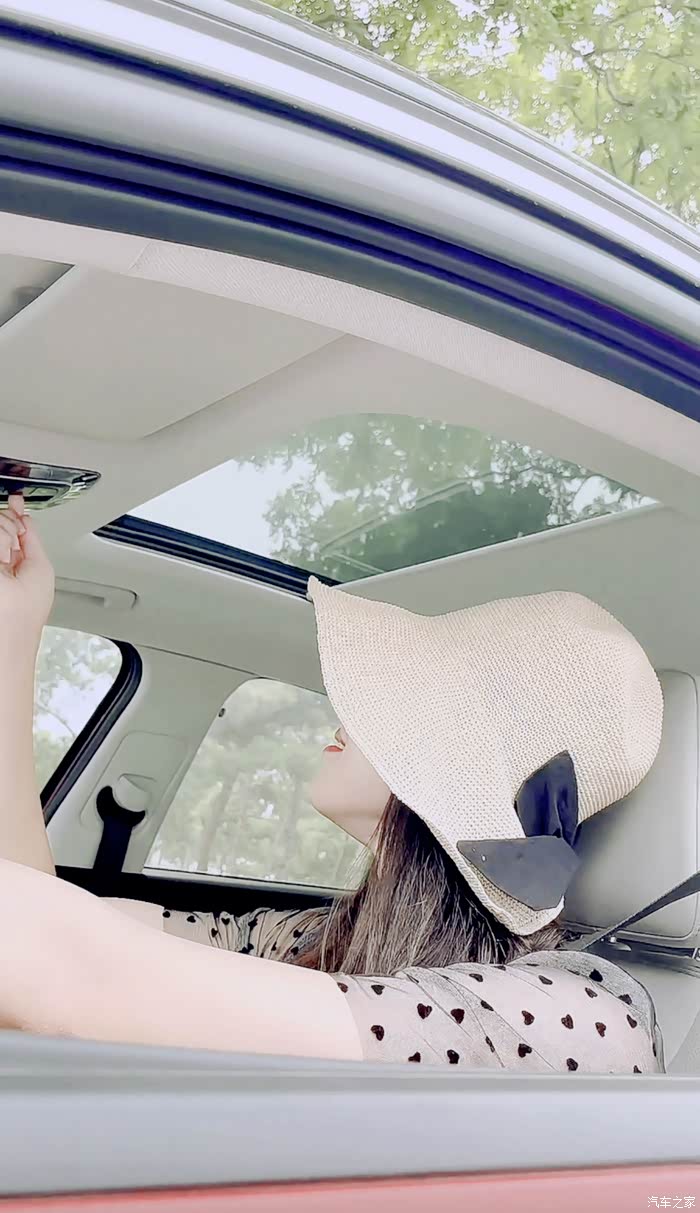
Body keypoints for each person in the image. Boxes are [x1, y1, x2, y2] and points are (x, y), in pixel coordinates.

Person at [0, 496, 664, 1072]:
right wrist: (14, 632)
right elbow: (45, 925)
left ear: (453, 766)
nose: (345, 717)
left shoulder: (580, 1019)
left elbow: (65, 972)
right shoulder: (317, 937)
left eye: (396, 700)